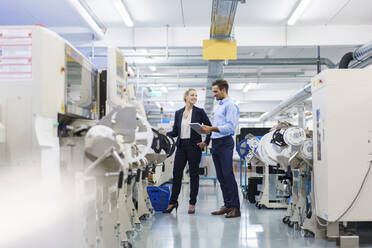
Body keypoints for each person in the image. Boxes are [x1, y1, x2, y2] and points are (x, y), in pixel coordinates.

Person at [163, 88, 212, 214]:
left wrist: (206, 142)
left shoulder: (199, 112)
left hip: (194, 146)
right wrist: (164, 135)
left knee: (194, 175)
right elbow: (175, 132)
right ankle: (173, 202)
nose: (194, 97)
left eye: (196, 95)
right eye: (192, 95)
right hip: (181, 146)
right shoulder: (178, 113)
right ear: (186, 96)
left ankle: (192, 203)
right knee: (177, 174)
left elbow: (209, 128)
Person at [199, 79, 241, 218]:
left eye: (216, 92)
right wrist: (208, 134)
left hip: (225, 142)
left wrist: (211, 128)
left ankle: (235, 207)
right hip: (216, 143)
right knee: (221, 176)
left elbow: (230, 127)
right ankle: (228, 204)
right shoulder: (220, 106)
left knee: (228, 175)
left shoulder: (230, 106)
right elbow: (216, 128)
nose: (214, 95)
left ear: (224, 90)